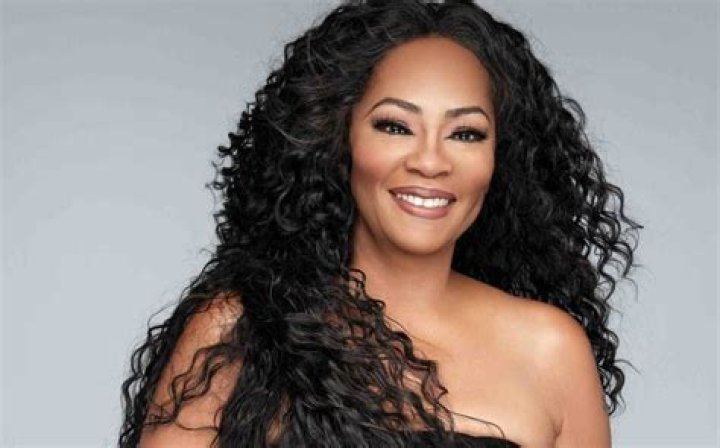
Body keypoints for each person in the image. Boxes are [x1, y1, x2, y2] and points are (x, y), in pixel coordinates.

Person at [118, 1, 642, 447]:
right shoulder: (239, 330)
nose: (430, 161)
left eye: (466, 133)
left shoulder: (551, 351)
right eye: (395, 126)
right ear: (338, 139)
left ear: (500, 158)